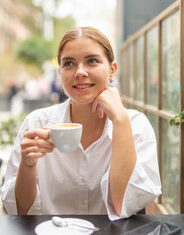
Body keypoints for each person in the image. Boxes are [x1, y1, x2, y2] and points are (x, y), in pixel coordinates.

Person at [0, 27, 161, 221]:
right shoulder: (37, 123)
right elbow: (19, 211)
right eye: (69, 63)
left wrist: (120, 120)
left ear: (112, 70)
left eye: (92, 60)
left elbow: (122, 206)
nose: (80, 72)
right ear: (60, 73)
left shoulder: (135, 125)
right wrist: (27, 164)